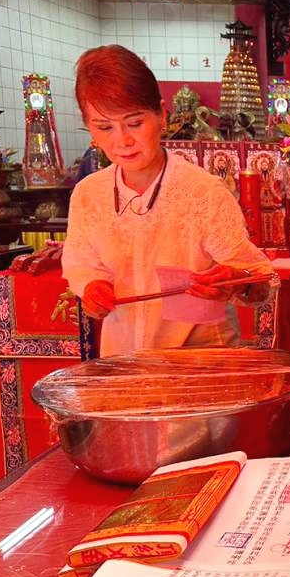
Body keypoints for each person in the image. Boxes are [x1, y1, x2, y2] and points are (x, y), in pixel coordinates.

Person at [61, 45, 274, 356]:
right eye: (104, 127)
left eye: (135, 123)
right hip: (124, 362)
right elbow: (83, 267)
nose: (122, 141)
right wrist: (93, 290)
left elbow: (261, 282)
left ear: (162, 115)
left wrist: (238, 280)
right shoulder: (88, 195)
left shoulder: (203, 192)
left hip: (203, 363)